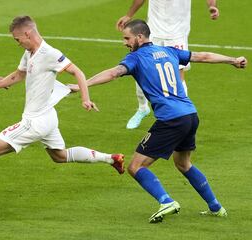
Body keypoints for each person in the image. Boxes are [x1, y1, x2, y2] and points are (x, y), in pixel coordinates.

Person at [70, 19, 247, 223]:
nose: (124, 43)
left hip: (170, 120)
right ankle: (216, 207)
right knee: (183, 163)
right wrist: (232, 60)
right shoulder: (169, 52)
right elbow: (203, 56)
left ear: (139, 37)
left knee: (135, 166)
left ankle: (166, 201)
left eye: (127, 38)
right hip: (190, 115)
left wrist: (82, 85)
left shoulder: (135, 58)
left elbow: (113, 73)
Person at [0, 15, 125, 212]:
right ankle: (111, 159)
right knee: (60, 156)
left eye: (17, 39)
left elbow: (78, 73)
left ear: (27, 33)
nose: (17, 43)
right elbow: (18, 74)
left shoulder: (49, 53)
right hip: (48, 117)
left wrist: (85, 98)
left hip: (35, 121)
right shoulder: (30, 53)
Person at [116, 0, 220, 129]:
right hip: (153, 32)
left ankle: (183, 113)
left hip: (177, 34)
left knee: (178, 75)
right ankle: (142, 108)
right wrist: (129, 15)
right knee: (141, 68)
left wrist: (212, 6)